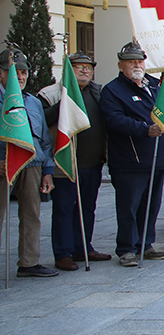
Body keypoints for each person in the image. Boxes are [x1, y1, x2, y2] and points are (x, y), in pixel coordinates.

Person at [100, 42, 164, 265]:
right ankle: (126, 248)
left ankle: (146, 243)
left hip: (156, 158)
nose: (136, 65)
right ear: (121, 65)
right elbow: (115, 120)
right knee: (128, 207)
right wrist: (145, 129)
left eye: (140, 61)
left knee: (151, 205)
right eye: (131, 61)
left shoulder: (153, 85)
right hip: (129, 160)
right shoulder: (112, 90)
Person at [42, 52, 109, 270]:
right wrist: (65, 100)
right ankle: (63, 253)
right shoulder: (50, 93)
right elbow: (42, 122)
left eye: (88, 67)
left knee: (87, 207)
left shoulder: (98, 92)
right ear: (68, 70)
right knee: (63, 208)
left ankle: (83, 247)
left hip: (92, 162)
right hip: (65, 164)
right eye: (78, 67)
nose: (84, 71)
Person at [0, 50, 56, 277]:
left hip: (32, 165)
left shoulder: (32, 102)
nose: (20, 77)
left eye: (23, 72)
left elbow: (43, 139)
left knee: (32, 215)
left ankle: (29, 262)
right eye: (14, 72)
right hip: (3, 164)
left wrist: (48, 171)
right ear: (2, 74)